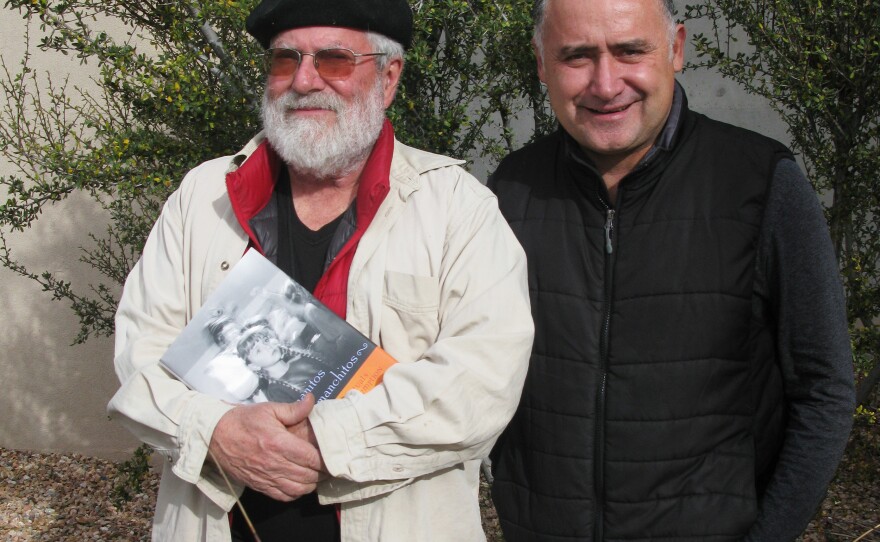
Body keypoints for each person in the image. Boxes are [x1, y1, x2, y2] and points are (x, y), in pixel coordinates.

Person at [107, 0, 534, 540]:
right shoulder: (202, 198)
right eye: (285, 60)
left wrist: (323, 439)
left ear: (388, 78)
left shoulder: (458, 209)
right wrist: (214, 431)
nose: (304, 80)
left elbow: (481, 383)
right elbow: (142, 351)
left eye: (334, 60)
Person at [487, 0, 856, 540]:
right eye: (577, 56)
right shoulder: (511, 190)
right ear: (542, 63)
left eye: (631, 51)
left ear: (676, 49)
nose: (606, 83)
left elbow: (823, 389)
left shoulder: (758, 183)